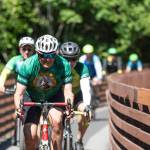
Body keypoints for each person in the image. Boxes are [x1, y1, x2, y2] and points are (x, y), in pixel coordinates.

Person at [14, 34, 74, 150]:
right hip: (32, 96)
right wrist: (18, 108)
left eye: (51, 55)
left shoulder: (64, 65)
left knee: (57, 122)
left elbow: (68, 91)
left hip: (54, 95)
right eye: (43, 55)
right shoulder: (28, 65)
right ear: (37, 52)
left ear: (56, 53)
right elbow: (19, 93)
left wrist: (69, 106)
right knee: (29, 134)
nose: (47, 59)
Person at [59, 42, 91, 149]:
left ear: (77, 58)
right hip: (60, 97)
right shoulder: (56, 67)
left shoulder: (82, 68)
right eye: (66, 59)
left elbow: (86, 88)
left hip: (77, 96)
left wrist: (87, 105)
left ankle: (79, 139)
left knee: (86, 114)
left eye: (73, 59)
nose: (70, 62)